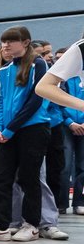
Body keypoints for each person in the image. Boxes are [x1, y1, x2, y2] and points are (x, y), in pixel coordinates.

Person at [0, 27, 51, 242]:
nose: (5, 45)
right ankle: (0, 226)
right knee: (0, 177)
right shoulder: (5, 69)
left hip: (32, 129)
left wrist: (10, 128)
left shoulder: (39, 64)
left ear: (25, 43)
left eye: (11, 41)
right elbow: (0, 101)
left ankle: (32, 224)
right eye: (3, 41)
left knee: (29, 177)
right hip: (7, 131)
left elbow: (35, 100)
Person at [38, 32, 84, 216]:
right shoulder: (81, 48)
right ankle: (62, 204)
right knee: (65, 166)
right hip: (65, 124)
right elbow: (44, 87)